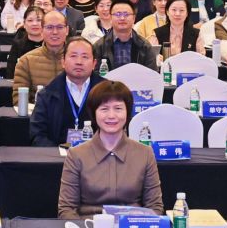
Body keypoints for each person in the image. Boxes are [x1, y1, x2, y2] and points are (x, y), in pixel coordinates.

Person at [53, 77, 163, 217]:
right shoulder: (76, 155)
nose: (111, 116)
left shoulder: (145, 153)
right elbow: (66, 209)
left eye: (118, 108)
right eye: (104, 109)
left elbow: (155, 207)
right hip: (88, 226)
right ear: (94, 113)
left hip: (131, 227)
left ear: (128, 112)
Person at [29, 36, 98, 146]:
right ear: (63, 62)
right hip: (57, 154)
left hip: (96, 154)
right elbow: (37, 135)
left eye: (85, 57)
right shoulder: (47, 94)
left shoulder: (106, 93)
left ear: (94, 63)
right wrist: (57, 152)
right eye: (73, 56)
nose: (79, 62)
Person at [10, 10, 70, 94]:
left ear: (67, 30)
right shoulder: (26, 61)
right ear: (41, 30)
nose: (55, 32)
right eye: (49, 27)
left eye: (60, 27)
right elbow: (20, 98)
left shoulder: (78, 59)